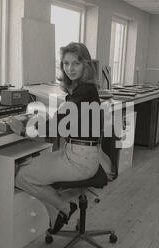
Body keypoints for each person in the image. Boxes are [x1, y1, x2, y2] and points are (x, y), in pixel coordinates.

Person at [7, 42, 101, 235]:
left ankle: (65, 207)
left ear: (86, 65)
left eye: (76, 63)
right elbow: (63, 122)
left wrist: (22, 129)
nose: (70, 68)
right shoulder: (83, 90)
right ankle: (58, 212)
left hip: (79, 160)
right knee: (27, 166)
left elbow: (56, 127)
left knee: (22, 176)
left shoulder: (83, 93)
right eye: (66, 63)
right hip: (79, 153)